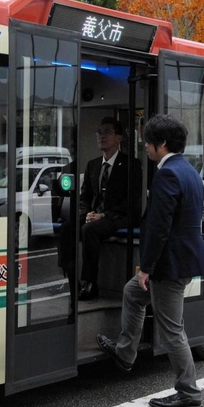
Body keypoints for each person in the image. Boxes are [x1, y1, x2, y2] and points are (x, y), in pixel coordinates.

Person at [96, 113, 204, 407]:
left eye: (148, 142)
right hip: (181, 261)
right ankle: (125, 353)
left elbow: (160, 227)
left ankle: (188, 392)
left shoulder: (168, 174)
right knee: (133, 293)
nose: (145, 147)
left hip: (169, 266)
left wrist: (146, 268)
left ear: (162, 143)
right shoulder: (189, 171)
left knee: (172, 330)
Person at [76, 117, 130, 301]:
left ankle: (89, 283)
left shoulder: (130, 165)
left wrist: (103, 215)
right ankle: (70, 278)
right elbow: (84, 197)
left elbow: (131, 202)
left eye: (107, 132)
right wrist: (86, 214)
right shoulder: (93, 164)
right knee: (68, 227)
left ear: (119, 138)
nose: (102, 136)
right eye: (99, 132)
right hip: (94, 217)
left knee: (89, 229)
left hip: (116, 217)